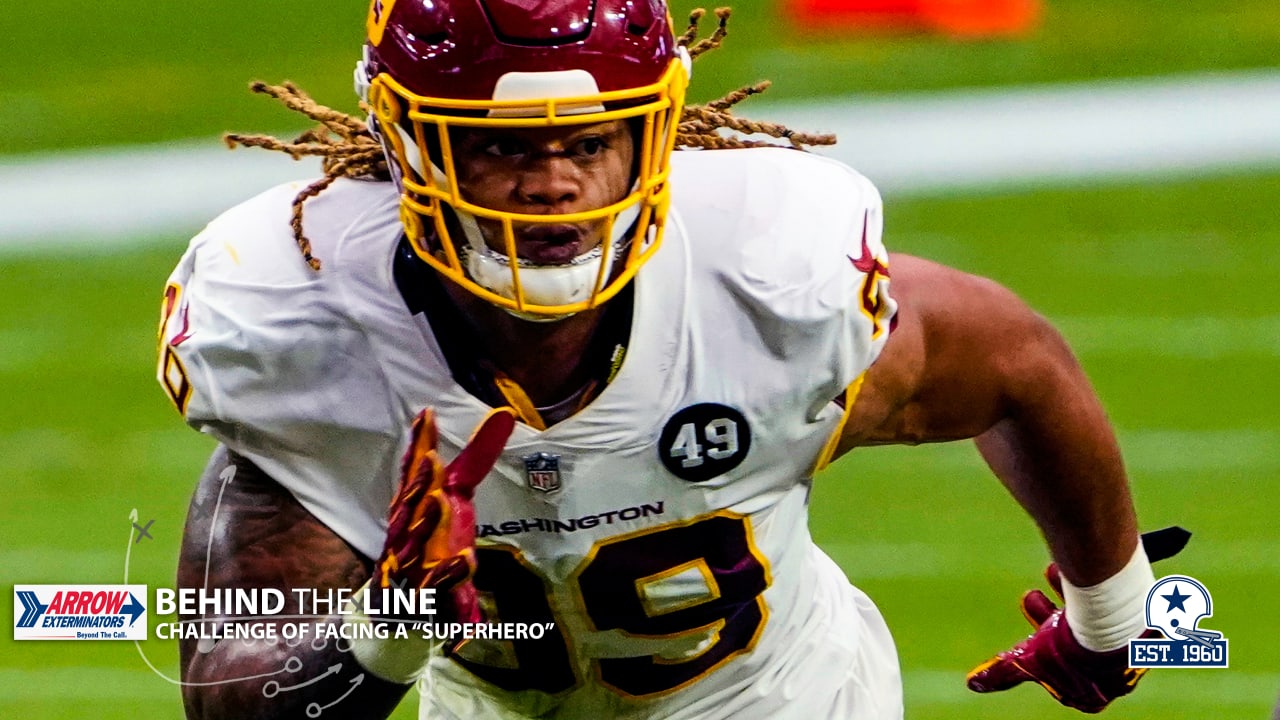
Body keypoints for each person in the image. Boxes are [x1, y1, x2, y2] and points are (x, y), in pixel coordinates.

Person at [156, 2, 1163, 718]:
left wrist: (1108, 617)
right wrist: (391, 628)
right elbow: (233, 695)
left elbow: (1016, 365)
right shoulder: (304, 331)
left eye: (590, 141)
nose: (553, 183)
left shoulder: (767, 280)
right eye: (502, 147)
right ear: (409, 145)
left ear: (656, 137)